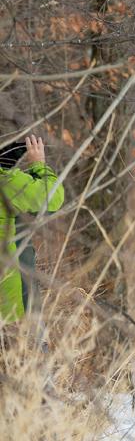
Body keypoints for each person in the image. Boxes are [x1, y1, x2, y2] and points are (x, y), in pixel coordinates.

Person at [0, 135, 64, 322]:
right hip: (10, 303)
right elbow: (52, 198)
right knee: (27, 348)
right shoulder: (6, 182)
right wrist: (38, 165)